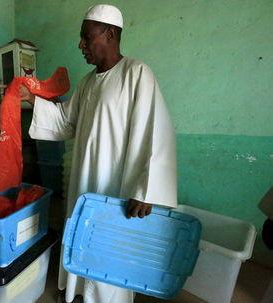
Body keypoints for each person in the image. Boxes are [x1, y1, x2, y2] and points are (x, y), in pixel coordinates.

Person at [19, 4, 177, 303]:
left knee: (110, 246)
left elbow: (156, 132)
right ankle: (79, 293)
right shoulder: (88, 83)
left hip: (116, 186)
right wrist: (30, 98)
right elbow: (65, 122)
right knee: (82, 236)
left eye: (86, 37)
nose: (80, 44)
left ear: (110, 33)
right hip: (84, 181)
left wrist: (146, 189)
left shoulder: (136, 73)